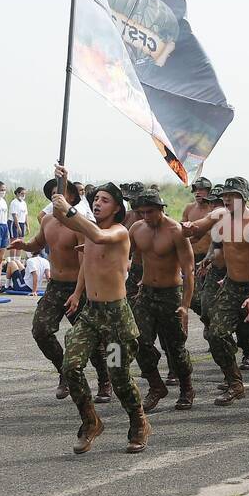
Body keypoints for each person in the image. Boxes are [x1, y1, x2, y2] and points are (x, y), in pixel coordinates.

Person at [49, 166, 151, 454]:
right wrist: (63, 183)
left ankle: (139, 422)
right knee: (71, 367)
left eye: (105, 200)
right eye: (95, 199)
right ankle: (91, 422)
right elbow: (63, 218)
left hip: (115, 317)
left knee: (118, 374)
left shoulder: (118, 232)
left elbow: (94, 232)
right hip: (92, 314)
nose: (97, 203)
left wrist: (67, 208)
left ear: (118, 207)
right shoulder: (88, 229)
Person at [181, 176, 249, 412]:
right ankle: (234, 382)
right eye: (225, 196)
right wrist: (186, 227)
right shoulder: (221, 217)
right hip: (231, 285)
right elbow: (199, 225)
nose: (227, 199)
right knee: (216, 334)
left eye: (233, 196)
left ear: (244, 198)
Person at [12, 177, 111, 401]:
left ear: (71, 197)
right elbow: (37, 243)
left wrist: (78, 293)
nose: (57, 196)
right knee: (41, 330)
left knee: (92, 338)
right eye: (54, 193)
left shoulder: (79, 223)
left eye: (62, 192)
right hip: (55, 286)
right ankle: (64, 372)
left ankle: (105, 381)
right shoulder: (47, 221)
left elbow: (86, 262)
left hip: (80, 286)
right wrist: (24, 245)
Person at [129, 189, 195, 412]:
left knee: (175, 348)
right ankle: (156, 386)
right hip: (146, 293)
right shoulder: (136, 229)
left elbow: (189, 269)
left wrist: (185, 305)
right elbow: (126, 255)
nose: (146, 216)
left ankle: (187, 388)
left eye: (150, 212)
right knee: (137, 341)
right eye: (141, 212)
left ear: (161, 209)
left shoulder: (175, 231)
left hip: (170, 294)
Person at [8, 186, 29, 264]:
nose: (23, 195)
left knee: (20, 242)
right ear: (17, 194)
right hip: (14, 223)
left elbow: (26, 215)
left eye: (24, 194)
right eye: (22, 193)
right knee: (14, 242)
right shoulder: (14, 202)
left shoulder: (24, 203)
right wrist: (18, 227)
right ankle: (12, 261)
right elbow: (14, 215)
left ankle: (18, 260)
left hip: (22, 222)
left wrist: (27, 226)